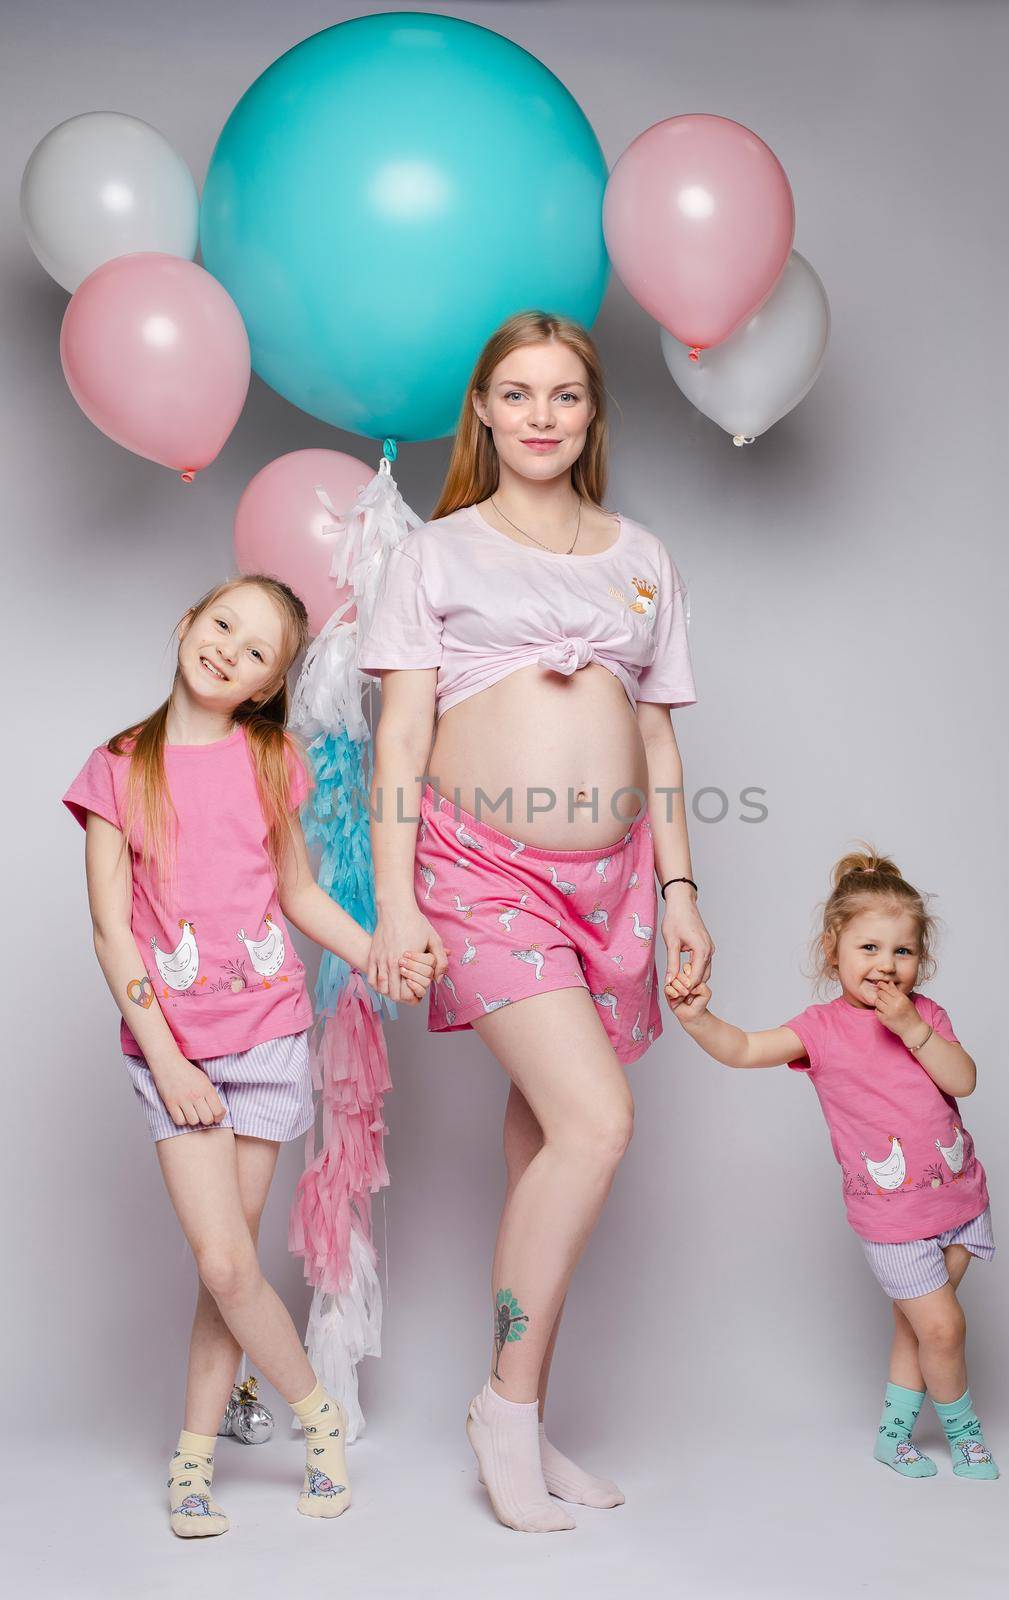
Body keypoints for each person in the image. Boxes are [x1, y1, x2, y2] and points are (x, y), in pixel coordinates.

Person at [355, 309, 715, 1531]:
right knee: (595, 1122)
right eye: (517, 394)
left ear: (590, 412)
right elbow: (400, 737)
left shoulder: (643, 555)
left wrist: (678, 894)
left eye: (564, 395)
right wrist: (395, 898)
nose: (542, 416)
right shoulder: (438, 556)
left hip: (611, 881)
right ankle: (501, 1415)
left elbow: (660, 739)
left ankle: (526, 1409)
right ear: (484, 413)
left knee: (539, 1156)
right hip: (477, 869)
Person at [62, 574, 434, 1537]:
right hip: (173, 1053)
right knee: (228, 1262)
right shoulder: (116, 767)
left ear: (267, 687)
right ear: (187, 622)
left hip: (268, 1041)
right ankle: (317, 1420)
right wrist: (169, 1060)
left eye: (257, 649)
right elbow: (112, 936)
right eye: (222, 622)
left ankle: (192, 1462)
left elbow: (302, 896)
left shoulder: (271, 760)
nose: (229, 646)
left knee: (225, 1273)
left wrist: (376, 954)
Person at [666, 846, 999, 1480]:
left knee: (919, 1330)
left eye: (901, 952)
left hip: (959, 1199)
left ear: (920, 960)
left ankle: (893, 1437)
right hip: (891, 1216)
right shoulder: (821, 1029)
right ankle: (966, 1437)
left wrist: (911, 1028)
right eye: (868, 949)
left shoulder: (927, 1016)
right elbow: (742, 1049)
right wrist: (697, 1018)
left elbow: (965, 1079)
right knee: (945, 1329)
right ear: (834, 952)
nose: (886, 965)